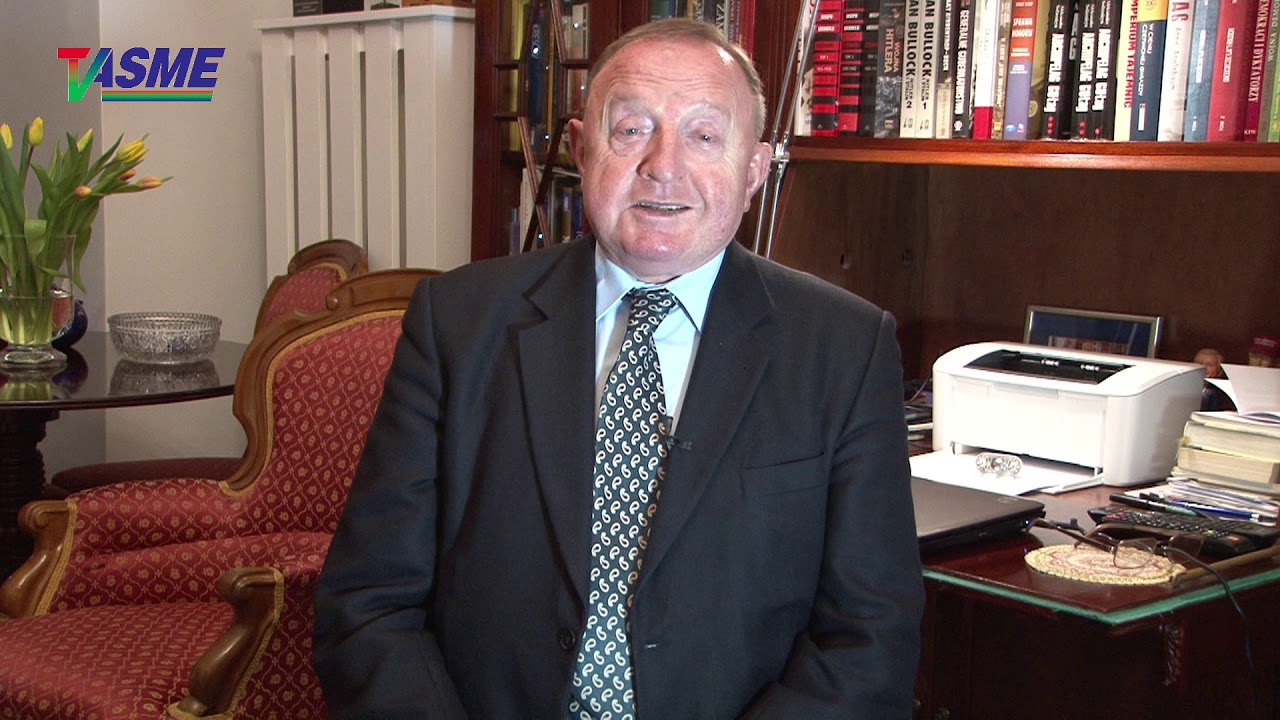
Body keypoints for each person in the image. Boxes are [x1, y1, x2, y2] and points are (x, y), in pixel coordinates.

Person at [313, 18, 924, 719]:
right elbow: (368, 603)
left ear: (755, 171)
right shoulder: (456, 322)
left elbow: (870, 639)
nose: (663, 165)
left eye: (704, 136)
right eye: (631, 129)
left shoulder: (845, 348)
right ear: (581, 149)